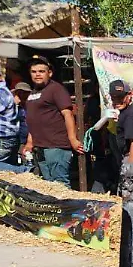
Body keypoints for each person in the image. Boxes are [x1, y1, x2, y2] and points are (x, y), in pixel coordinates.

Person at [23, 56, 84, 186]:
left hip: (56, 145)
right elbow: (33, 119)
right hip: (40, 147)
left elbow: (67, 114)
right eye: (34, 72)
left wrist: (73, 139)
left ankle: (66, 206)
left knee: (60, 184)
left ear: (49, 73)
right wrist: (30, 142)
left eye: (41, 71)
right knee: (48, 185)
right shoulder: (33, 93)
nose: (37, 74)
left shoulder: (56, 89)